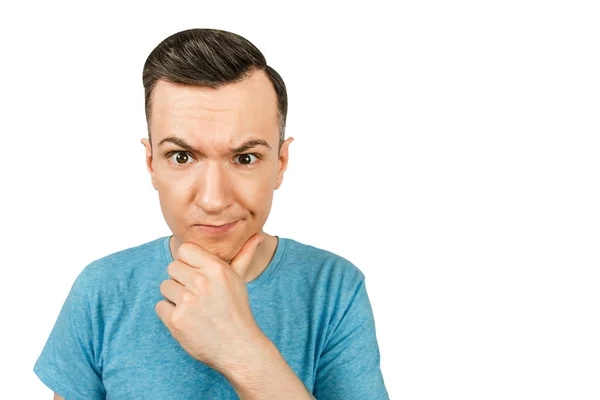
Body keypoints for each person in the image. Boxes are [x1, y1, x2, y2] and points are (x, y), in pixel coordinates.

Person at [33, 28, 389, 400]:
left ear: (281, 163)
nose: (214, 200)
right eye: (182, 157)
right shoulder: (102, 290)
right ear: (151, 162)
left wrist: (240, 348)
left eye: (245, 158)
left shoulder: (333, 287)